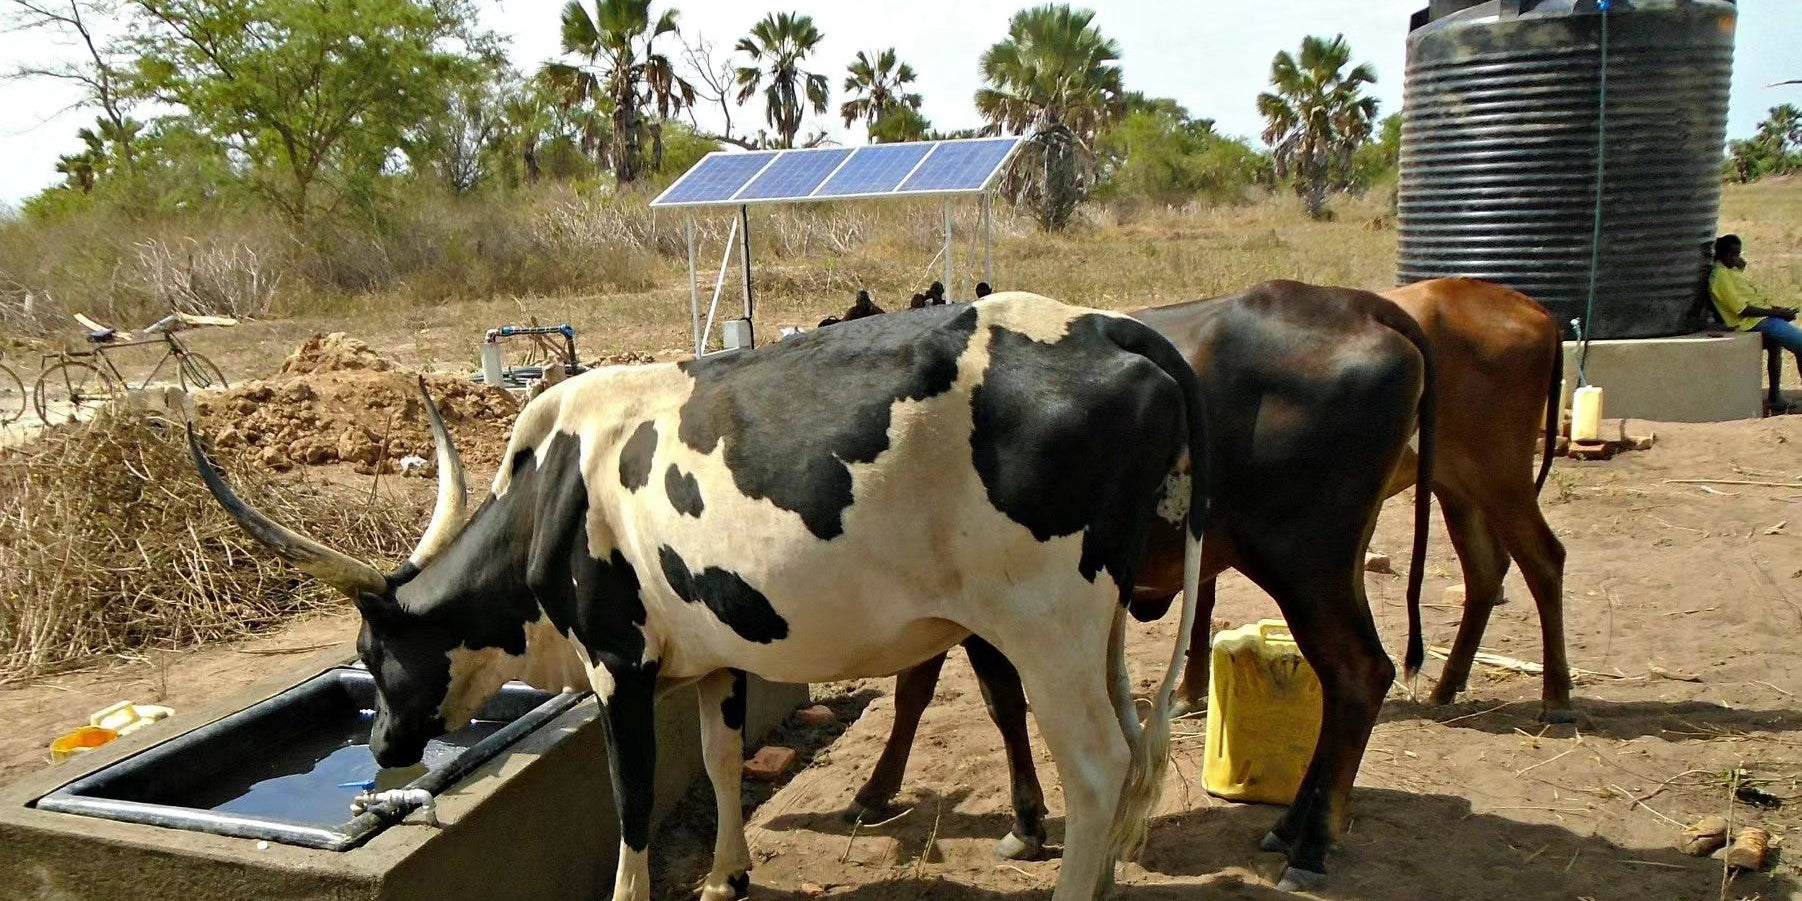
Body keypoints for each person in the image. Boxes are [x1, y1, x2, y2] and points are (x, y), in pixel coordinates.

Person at [1711, 235, 1801, 409]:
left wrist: (1779, 311)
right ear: (1722, 254)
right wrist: (1777, 313)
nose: (1736, 258)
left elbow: (1754, 301)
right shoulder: (1720, 276)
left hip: (1762, 319)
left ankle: (1775, 397)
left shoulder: (1730, 271)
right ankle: (1775, 398)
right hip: (1749, 323)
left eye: (1738, 254)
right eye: (1732, 254)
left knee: (1784, 346)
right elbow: (1743, 310)